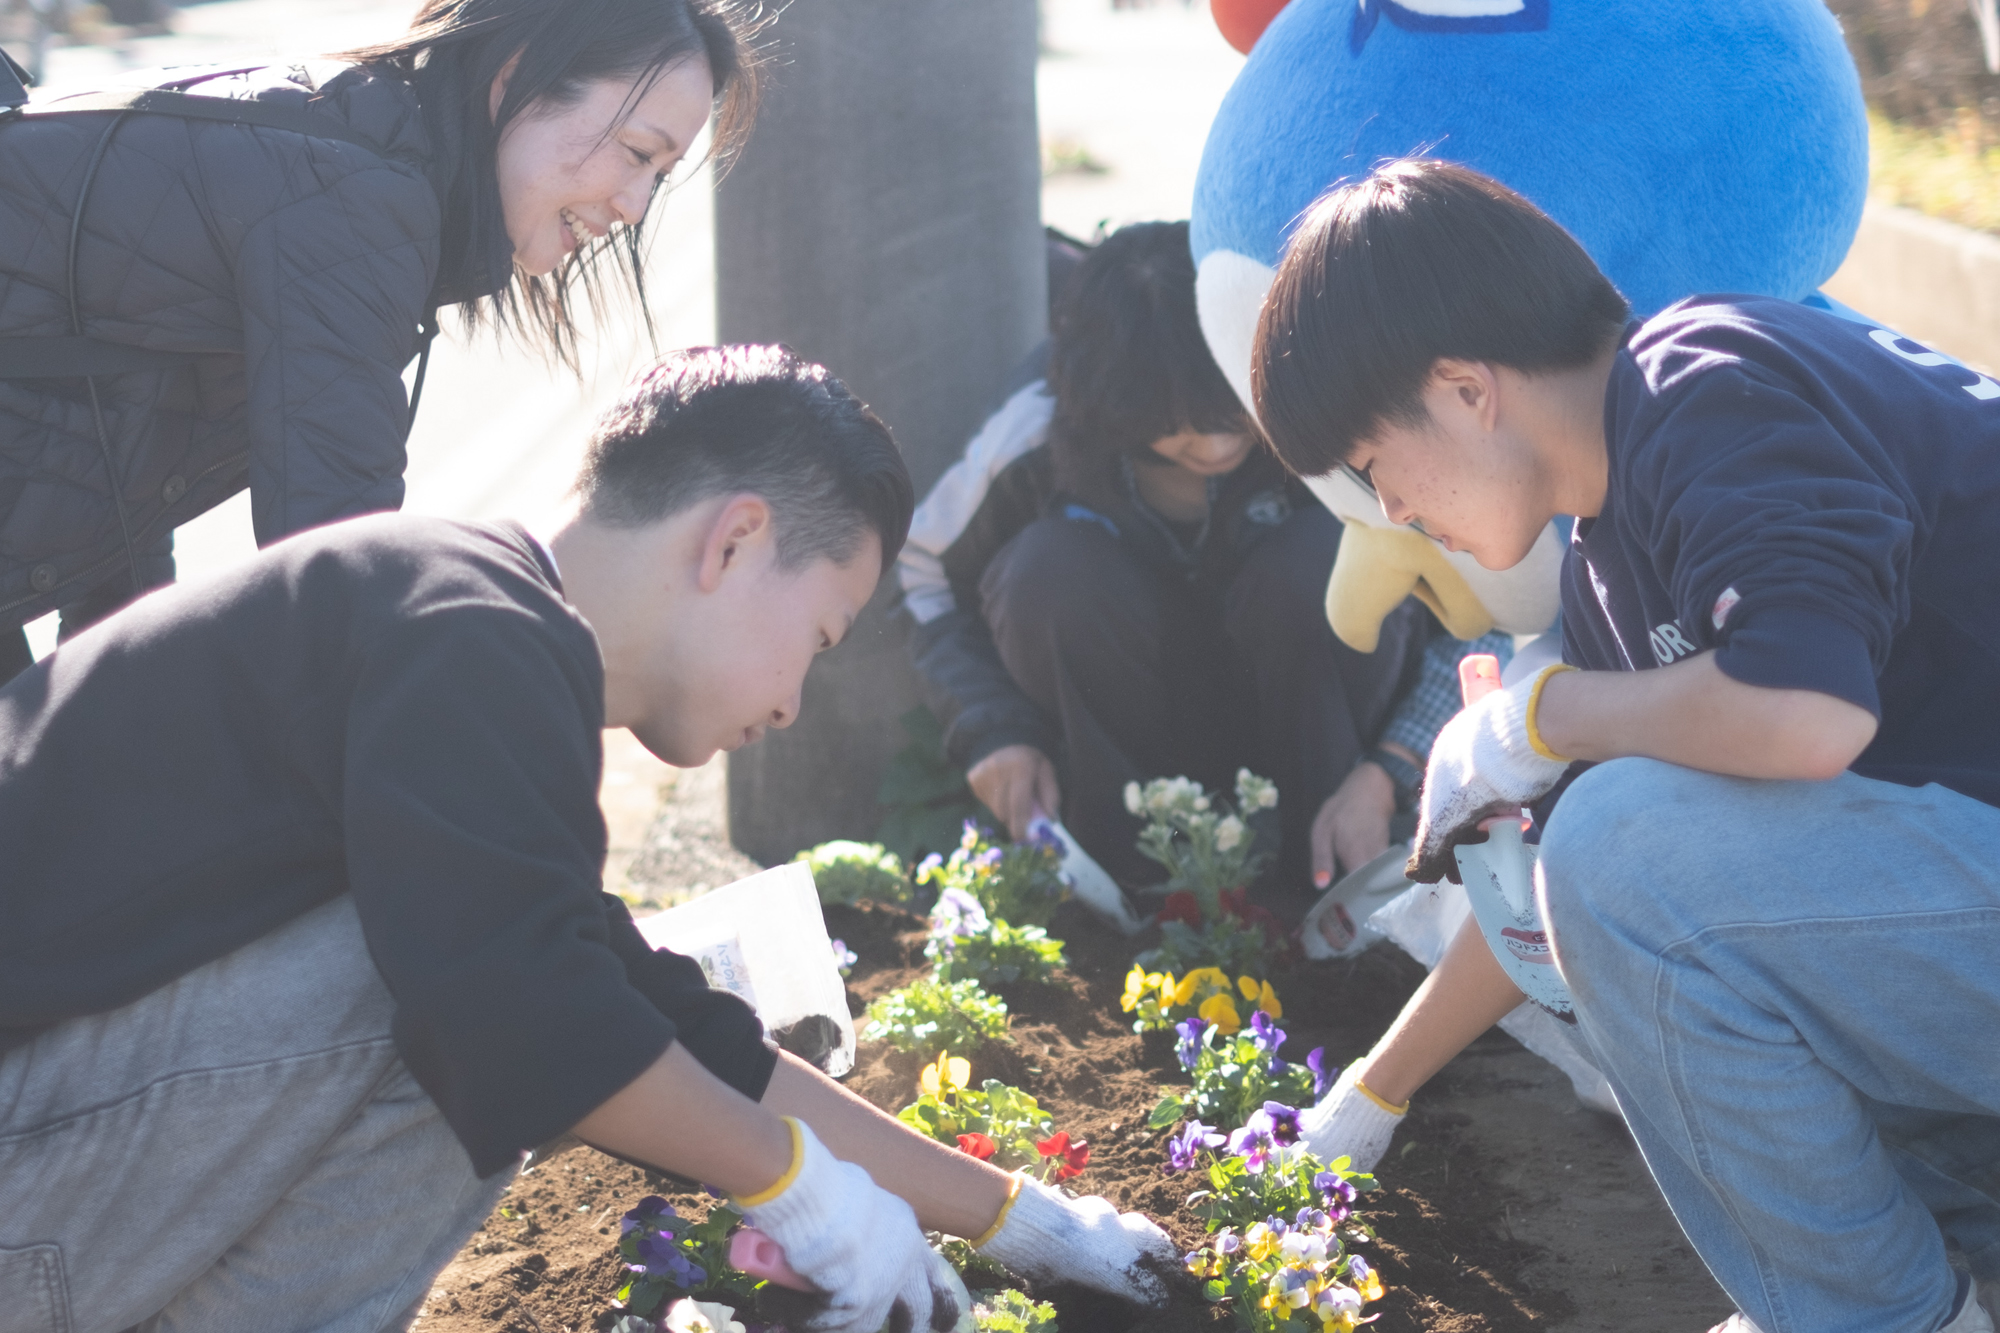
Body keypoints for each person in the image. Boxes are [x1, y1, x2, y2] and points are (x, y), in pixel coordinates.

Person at [0, 345, 1174, 1333]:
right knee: (467, 1005)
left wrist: (1020, 1218)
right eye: (818, 637)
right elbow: (524, 1003)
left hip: (53, 1154)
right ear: (732, 542)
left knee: (531, 1006)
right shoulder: (469, 631)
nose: (790, 708)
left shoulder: (469, 619)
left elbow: (640, 1013)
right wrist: (793, 1185)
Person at [1255, 158, 2000, 1333]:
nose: (1392, 512)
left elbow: (1806, 713)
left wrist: (1541, 717)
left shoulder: (1704, 380)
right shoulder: (1609, 561)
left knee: (1613, 845)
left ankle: (1872, 1317)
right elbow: (1595, 917)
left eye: (1373, 463)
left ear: (1460, 389)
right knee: (1611, 875)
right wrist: (1373, 1095)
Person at [0, 0, 758, 684]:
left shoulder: (354, 141)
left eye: (658, 176)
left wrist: (103, 698)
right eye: (635, 151)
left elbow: (117, 425)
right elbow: (342, 572)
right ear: (516, 78)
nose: (633, 205)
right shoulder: (353, 199)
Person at [899, 220, 1508, 914]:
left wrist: (1393, 770)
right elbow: (924, 575)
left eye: (1231, 411)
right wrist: (992, 729)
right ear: (1107, 405)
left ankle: (1336, 888)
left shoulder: (1338, 422)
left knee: (1315, 569)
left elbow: (1490, 610)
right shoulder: (1034, 433)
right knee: (1049, 574)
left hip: (1330, 745)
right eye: (1176, 421)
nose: (1216, 442)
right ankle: (1131, 896)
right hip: (1130, 743)